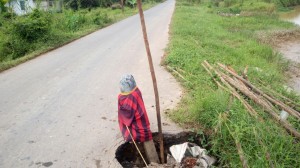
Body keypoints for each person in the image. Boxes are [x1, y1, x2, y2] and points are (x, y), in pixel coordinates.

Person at [118, 74, 160, 164]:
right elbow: (125, 113)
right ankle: (138, 158)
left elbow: (126, 113)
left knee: (146, 137)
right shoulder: (129, 94)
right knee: (135, 140)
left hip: (141, 121)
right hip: (136, 125)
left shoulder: (134, 95)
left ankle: (155, 162)